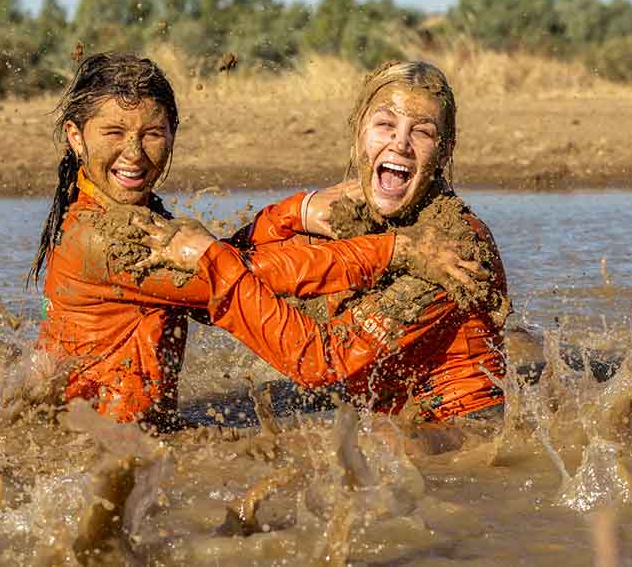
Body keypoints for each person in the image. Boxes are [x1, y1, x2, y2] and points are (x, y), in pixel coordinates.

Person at [30, 53, 490, 430]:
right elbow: (236, 275)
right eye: (113, 132)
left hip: (461, 433)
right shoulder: (104, 239)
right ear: (75, 136)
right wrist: (392, 249)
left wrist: (294, 213)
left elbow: (229, 271)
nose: (134, 152)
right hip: (97, 442)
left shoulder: (451, 245)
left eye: (152, 134)